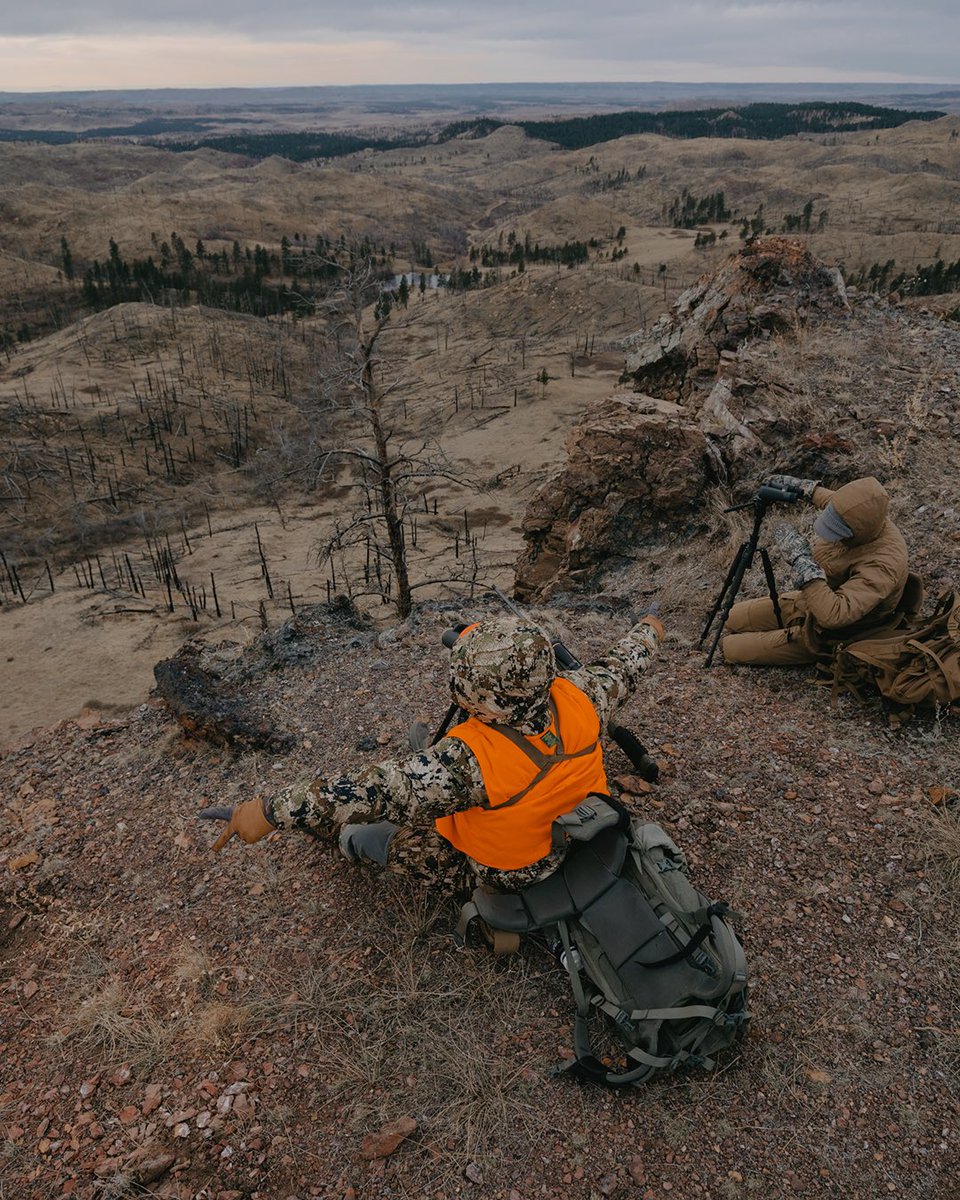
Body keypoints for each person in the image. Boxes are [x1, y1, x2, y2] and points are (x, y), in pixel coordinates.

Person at [207, 612, 664, 892]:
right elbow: (624, 662)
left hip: (518, 871)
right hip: (586, 834)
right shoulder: (583, 694)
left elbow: (367, 792)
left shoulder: (467, 763)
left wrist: (269, 811)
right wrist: (649, 629)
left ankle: (348, 844)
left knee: (388, 836)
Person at [721, 474, 920, 667]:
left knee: (730, 648)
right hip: (812, 599)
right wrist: (801, 487)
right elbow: (830, 500)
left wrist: (801, 562)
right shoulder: (856, 513)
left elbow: (834, 616)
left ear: (855, 531)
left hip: (834, 630)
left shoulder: (883, 564)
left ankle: (801, 645)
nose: (831, 532)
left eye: (838, 530)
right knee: (731, 617)